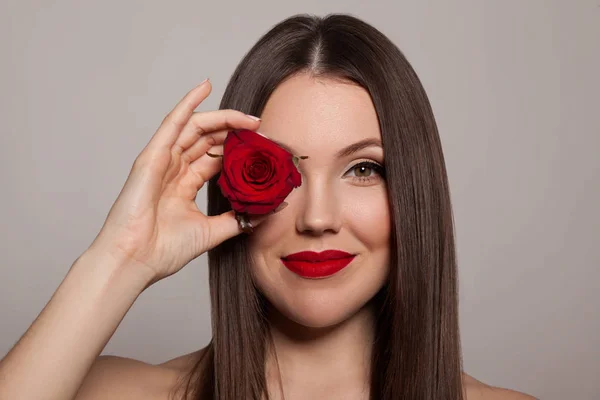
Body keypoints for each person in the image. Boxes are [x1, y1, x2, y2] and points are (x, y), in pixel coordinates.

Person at [0, 13, 537, 400]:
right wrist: (121, 257)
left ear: (415, 193)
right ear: (232, 186)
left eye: (364, 169)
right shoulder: (117, 393)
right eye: (286, 171)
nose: (318, 218)